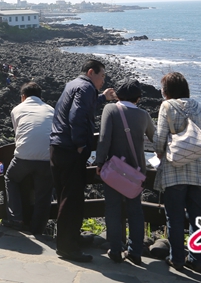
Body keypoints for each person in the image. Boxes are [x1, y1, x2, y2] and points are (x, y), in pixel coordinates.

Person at [50, 59, 118, 262]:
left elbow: (81, 106)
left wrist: (101, 98)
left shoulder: (73, 84)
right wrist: (80, 144)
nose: (103, 80)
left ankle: (67, 239)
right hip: (71, 150)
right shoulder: (87, 87)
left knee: (64, 196)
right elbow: (77, 115)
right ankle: (68, 247)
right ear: (91, 72)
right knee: (72, 200)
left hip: (57, 148)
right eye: (102, 76)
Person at [153, 72, 201, 272]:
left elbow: (159, 141)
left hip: (176, 171)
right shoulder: (200, 107)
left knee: (174, 217)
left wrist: (163, 152)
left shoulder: (167, 107)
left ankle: (177, 259)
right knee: (197, 217)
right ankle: (197, 260)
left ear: (168, 91)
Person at [94, 79, 155, 265]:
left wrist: (99, 162)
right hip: (136, 171)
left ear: (118, 94)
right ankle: (135, 251)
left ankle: (115, 249)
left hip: (114, 170)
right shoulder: (144, 115)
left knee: (112, 208)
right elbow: (154, 138)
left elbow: (104, 138)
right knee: (135, 210)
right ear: (138, 97)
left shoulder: (110, 110)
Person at [3, 82, 54, 235]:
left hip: (24, 158)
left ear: (23, 97)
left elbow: (18, 133)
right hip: (47, 158)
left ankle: (16, 218)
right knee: (44, 193)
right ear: (40, 97)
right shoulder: (51, 109)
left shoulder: (17, 109)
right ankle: (38, 228)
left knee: (10, 178)